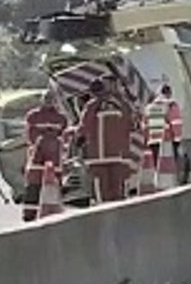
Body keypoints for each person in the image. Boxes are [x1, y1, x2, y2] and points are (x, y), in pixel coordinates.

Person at [74, 78, 133, 203]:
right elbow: (131, 124)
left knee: (103, 191)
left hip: (98, 155)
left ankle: (106, 214)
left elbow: (85, 125)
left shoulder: (92, 105)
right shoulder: (120, 104)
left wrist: (79, 140)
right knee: (118, 190)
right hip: (117, 154)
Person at [22, 90, 69, 222]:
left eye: (51, 99)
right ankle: (29, 214)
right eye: (46, 98)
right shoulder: (33, 116)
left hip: (55, 161)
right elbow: (30, 137)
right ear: (42, 100)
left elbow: (64, 137)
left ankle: (53, 212)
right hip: (37, 160)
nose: (49, 101)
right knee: (33, 187)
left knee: (54, 187)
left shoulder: (61, 118)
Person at [144, 84, 183, 172]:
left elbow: (144, 125)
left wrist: (146, 139)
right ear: (169, 93)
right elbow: (176, 123)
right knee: (168, 166)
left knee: (156, 165)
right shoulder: (171, 105)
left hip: (153, 141)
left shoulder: (149, 108)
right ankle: (169, 183)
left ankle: (157, 181)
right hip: (167, 140)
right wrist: (177, 140)